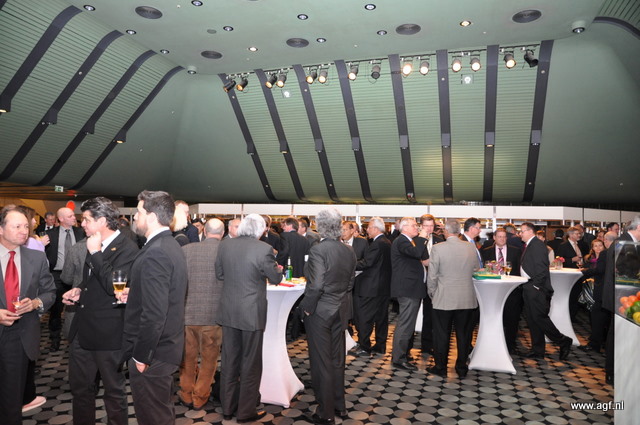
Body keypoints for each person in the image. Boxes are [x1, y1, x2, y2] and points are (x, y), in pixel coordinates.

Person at [61, 197, 139, 425]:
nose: (82, 224)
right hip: (82, 331)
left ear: (102, 220)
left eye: (86, 219)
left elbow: (114, 286)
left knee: (114, 392)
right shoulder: (93, 243)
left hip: (109, 333)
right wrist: (79, 289)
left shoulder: (127, 248)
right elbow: (92, 280)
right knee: (80, 390)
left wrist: (95, 253)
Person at [120, 190, 188, 425]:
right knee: (160, 412)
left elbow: (155, 314)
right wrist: (136, 293)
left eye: (138, 213)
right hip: (165, 347)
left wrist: (142, 356)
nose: (135, 218)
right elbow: (166, 294)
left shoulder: (156, 251)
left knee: (153, 417)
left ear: (151, 217)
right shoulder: (169, 245)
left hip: (154, 352)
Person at [215, 214, 283, 423]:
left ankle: (228, 408)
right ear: (261, 231)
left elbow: (219, 274)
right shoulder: (264, 249)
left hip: (229, 310)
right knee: (250, 363)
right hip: (251, 312)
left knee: (229, 361)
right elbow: (275, 278)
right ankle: (246, 412)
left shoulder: (225, 245)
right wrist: (277, 270)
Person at [0, 205, 56, 425]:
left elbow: (50, 292)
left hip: (19, 335)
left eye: (26, 226)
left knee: (12, 399)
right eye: (17, 226)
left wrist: (35, 303)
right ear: (1, 229)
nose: (24, 231)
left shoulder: (36, 257)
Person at [301, 208, 356, 425]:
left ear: (320, 226)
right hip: (340, 310)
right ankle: (339, 405)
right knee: (337, 361)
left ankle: (325, 413)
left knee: (321, 363)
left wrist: (307, 308)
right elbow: (350, 283)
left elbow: (316, 285)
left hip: (321, 312)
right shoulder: (348, 250)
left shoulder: (318, 250)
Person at [178, 219, 225, 410]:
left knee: (187, 358)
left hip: (188, 313)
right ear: (222, 233)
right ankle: (200, 396)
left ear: (204, 231)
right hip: (214, 315)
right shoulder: (226, 252)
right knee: (209, 360)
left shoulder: (186, 250)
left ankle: (186, 393)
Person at [427, 219, 478, 378]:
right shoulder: (470, 247)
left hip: (444, 297)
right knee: (464, 335)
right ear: (459, 231)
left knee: (441, 334)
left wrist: (432, 293)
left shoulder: (438, 248)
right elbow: (476, 270)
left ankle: (440, 367)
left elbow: (432, 276)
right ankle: (461, 368)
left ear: (446, 232)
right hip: (466, 298)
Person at [520, 222, 573, 361]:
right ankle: (538, 350)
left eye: (522, 231)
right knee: (533, 320)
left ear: (530, 231)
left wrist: (535, 286)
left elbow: (542, 269)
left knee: (540, 318)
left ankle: (563, 340)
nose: (520, 234)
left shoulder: (537, 245)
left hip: (536, 289)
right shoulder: (531, 244)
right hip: (529, 286)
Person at [45, 207, 85, 351]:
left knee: (78, 306)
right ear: (61, 219)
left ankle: (77, 337)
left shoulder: (81, 232)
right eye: (70, 216)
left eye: (74, 215)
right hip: (57, 275)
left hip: (77, 275)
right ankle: (54, 339)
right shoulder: (50, 234)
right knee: (56, 309)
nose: (74, 218)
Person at [390, 217, 427, 370]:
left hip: (411, 289)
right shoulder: (402, 241)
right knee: (405, 325)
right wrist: (423, 237)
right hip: (407, 289)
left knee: (408, 325)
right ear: (404, 228)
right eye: (413, 225)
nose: (416, 228)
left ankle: (401, 354)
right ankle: (399, 359)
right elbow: (417, 253)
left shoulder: (407, 241)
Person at [353, 217, 391, 355]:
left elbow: (367, 263)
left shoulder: (377, 243)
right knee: (381, 319)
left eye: (368, 227)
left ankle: (364, 347)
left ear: (375, 228)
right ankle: (380, 346)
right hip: (383, 287)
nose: (367, 230)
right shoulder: (387, 242)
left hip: (370, 287)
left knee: (364, 317)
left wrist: (349, 262)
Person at [481, 227, 523, 354]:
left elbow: (519, 270)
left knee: (512, 319)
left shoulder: (516, 251)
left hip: (511, 290)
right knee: (493, 317)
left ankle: (511, 345)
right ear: (494, 238)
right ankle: (492, 343)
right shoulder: (485, 251)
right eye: (499, 237)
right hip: (492, 290)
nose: (502, 239)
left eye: (504, 237)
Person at [417, 214, 444, 357]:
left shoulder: (440, 241)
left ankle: (428, 345)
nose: (429, 228)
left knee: (432, 315)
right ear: (420, 226)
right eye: (426, 226)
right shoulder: (415, 240)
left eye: (431, 226)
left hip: (435, 282)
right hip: (418, 282)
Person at [579, 237, 610, 352]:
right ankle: (600, 341)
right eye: (595, 246)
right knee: (597, 316)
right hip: (592, 288)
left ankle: (597, 342)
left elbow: (600, 270)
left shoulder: (605, 255)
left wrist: (585, 271)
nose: (598, 248)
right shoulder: (589, 258)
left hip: (600, 289)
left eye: (600, 245)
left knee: (599, 316)